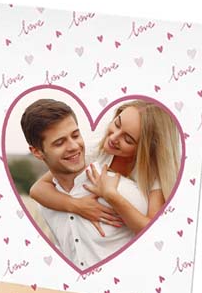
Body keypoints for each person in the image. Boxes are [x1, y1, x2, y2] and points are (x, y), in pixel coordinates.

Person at [20, 98, 180, 268]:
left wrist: (111, 196)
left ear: (145, 148)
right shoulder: (94, 149)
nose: (113, 137)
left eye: (128, 139)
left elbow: (152, 231)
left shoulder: (153, 174)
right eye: (117, 124)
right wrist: (77, 206)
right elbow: (38, 189)